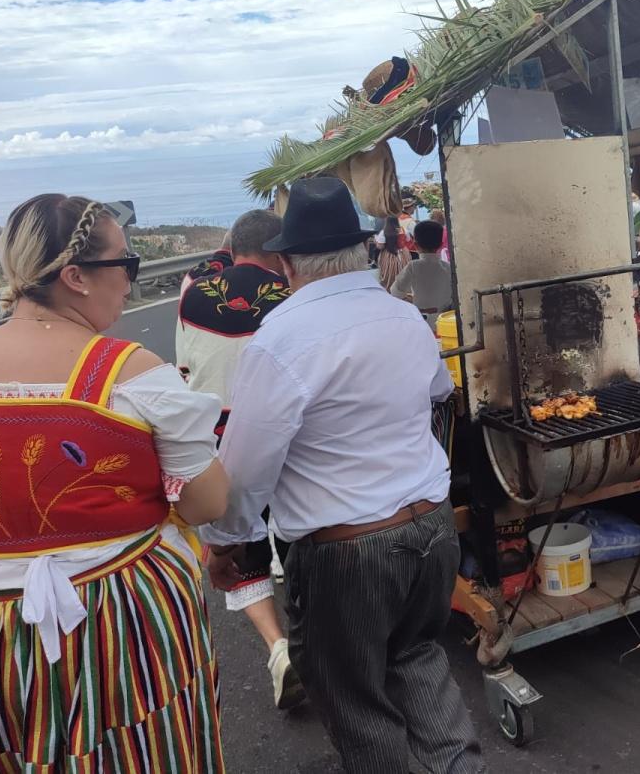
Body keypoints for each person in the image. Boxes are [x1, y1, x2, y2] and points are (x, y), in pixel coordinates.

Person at [0, 194, 230, 772]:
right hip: (116, 617)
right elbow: (207, 503)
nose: (130, 279)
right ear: (74, 277)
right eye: (126, 263)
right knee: (139, 744)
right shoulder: (135, 374)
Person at [200, 179, 483, 774]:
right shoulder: (403, 316)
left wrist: (229, 543)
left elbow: (247, 470)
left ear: (284, 263)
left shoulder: (278, 341)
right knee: (418, 658)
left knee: (355, 701)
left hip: (348, 552)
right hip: (430, 527)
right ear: (362, 251)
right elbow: (439, 392)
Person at [176, 209, 303, 710]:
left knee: (239, 549)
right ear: (279, 253)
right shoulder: (292, 299)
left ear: (232, 250)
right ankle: (320, 637)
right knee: (300, 536)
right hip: (284, 438)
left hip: (220, 441)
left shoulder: (192, 295)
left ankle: (278, 646)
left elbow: (185, 369)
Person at [390, 220, 453, 330]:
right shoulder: (449, 268)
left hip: (421, 322)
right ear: (441, 245)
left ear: (415, 245)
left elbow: (395, 292)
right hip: (446, 323)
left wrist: (411, 300)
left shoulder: (413, 267)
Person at [376, 215, 412, 291]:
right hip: (403, 254)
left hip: (389, 254)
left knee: (389, 273)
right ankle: (404, 289)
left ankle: (390, 289)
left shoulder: (384, 232)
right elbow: (408, 240)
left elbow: (380, 246)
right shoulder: (403, 230)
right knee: (404, 271)